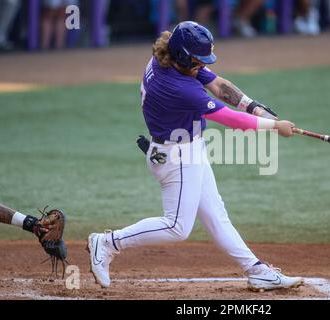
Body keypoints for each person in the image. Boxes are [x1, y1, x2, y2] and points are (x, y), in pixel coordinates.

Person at [87, 21, 304, 292]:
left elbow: (218, 84)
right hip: (175, 157)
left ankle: (257, 270)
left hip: (189, 148)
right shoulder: (179, 86)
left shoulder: (169, 58)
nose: (201, 65)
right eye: (198, 60)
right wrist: (275, 127)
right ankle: (107, 242)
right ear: (183, 56)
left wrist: (256, 108)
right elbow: (229, 118)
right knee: (177, 227)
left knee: (216, 215)